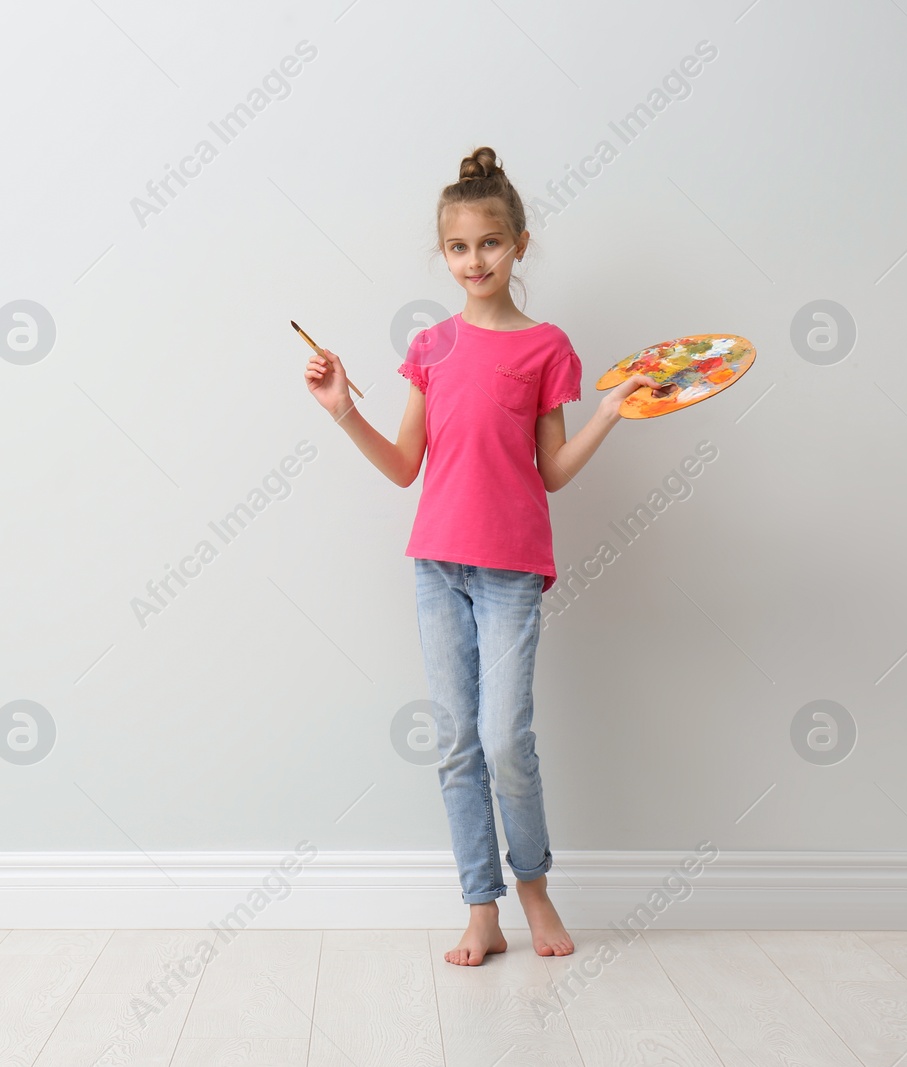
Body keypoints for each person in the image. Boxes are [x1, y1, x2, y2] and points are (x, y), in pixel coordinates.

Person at [304, 146, 655, 967]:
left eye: (490, 244)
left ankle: (533, 884)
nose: (474, 261)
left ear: (519, 245)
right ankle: (481, 906)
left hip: (510, 572)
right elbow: (401, 466)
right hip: (436, 566)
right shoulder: (430, 347)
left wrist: (610, 412)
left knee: (504, 737)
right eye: (459, 248)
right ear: (444, 253)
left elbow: (555, 472)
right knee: (458, 738)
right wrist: (337, 409)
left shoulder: (546, 349)